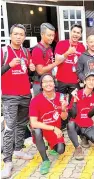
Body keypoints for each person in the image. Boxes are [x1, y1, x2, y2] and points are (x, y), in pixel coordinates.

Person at [1, 24, 35, 178]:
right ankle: (7, 161)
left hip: (25, 95)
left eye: (21, 34)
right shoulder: (3, 51)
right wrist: (8, 65)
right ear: (10, 35)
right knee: (9, 128)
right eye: (16, 34)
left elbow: (25, 72)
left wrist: (31, 68)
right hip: (9, 96)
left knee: (21, 124)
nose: (19, 37)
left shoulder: (26, 51)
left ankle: (18, 150)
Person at [29, 74, 68, 175]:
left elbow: (64, 117)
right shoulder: (35, 100)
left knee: (60, 150)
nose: (48, 84)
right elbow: (33, 123)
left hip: (54, 131)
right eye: (45, 82)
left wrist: (63, 109)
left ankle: (50, 144)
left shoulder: (61, 97)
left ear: (54, 83)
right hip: (44, 129)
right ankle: (45, 160)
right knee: (36, 131)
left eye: (50, 81)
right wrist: (53, 128)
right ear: (41, 85)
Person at [54, 24, 85, 129]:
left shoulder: (81, 47)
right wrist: (68, 52)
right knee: (60, 102)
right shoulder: (61, 44)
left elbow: (83, 64)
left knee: (74, 103)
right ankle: (61, 124)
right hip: (61, 80)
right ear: (70, 32)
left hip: (74, 81)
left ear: (80, 35)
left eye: (78, 32)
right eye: (74, 32)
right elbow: (57, 61)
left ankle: (72, 124)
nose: (76, 34)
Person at [67, 72, 94, 160]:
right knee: (70, 124)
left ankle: (85, 137)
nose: (91, 82)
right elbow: (73, 114)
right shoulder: (76, 93)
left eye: (93, 80)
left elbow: (89, 115)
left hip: (88, 125)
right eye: (89, 80)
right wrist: (75, 100)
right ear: (84, 82)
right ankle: (78, 148)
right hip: (77, 125)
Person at [32, 23, 60, 96]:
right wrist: (56, 63)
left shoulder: (49, 48)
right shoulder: (37, 49)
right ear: (42, 34)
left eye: (53, 35)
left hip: (49, 84)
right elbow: (40, 71)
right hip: (40, 85)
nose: (51, 38)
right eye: (49, 35)